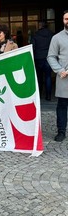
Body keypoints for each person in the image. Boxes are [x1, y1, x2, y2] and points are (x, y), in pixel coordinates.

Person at [47, 10, 68, 142]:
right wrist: (59, 70)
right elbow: (51, 57)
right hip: (64, 78)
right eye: (66, 19)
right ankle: (61, 131)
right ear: (63, 20)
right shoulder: (57, 38)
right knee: (62, 106)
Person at [31, 21, 53, 101]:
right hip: (49, 57)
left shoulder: (35, 34)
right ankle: (48, 96)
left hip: (38, 57)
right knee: (48, 77)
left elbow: (33, 47)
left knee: (39, 77)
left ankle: (39, 95)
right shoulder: (51, 34)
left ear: (40, 25)